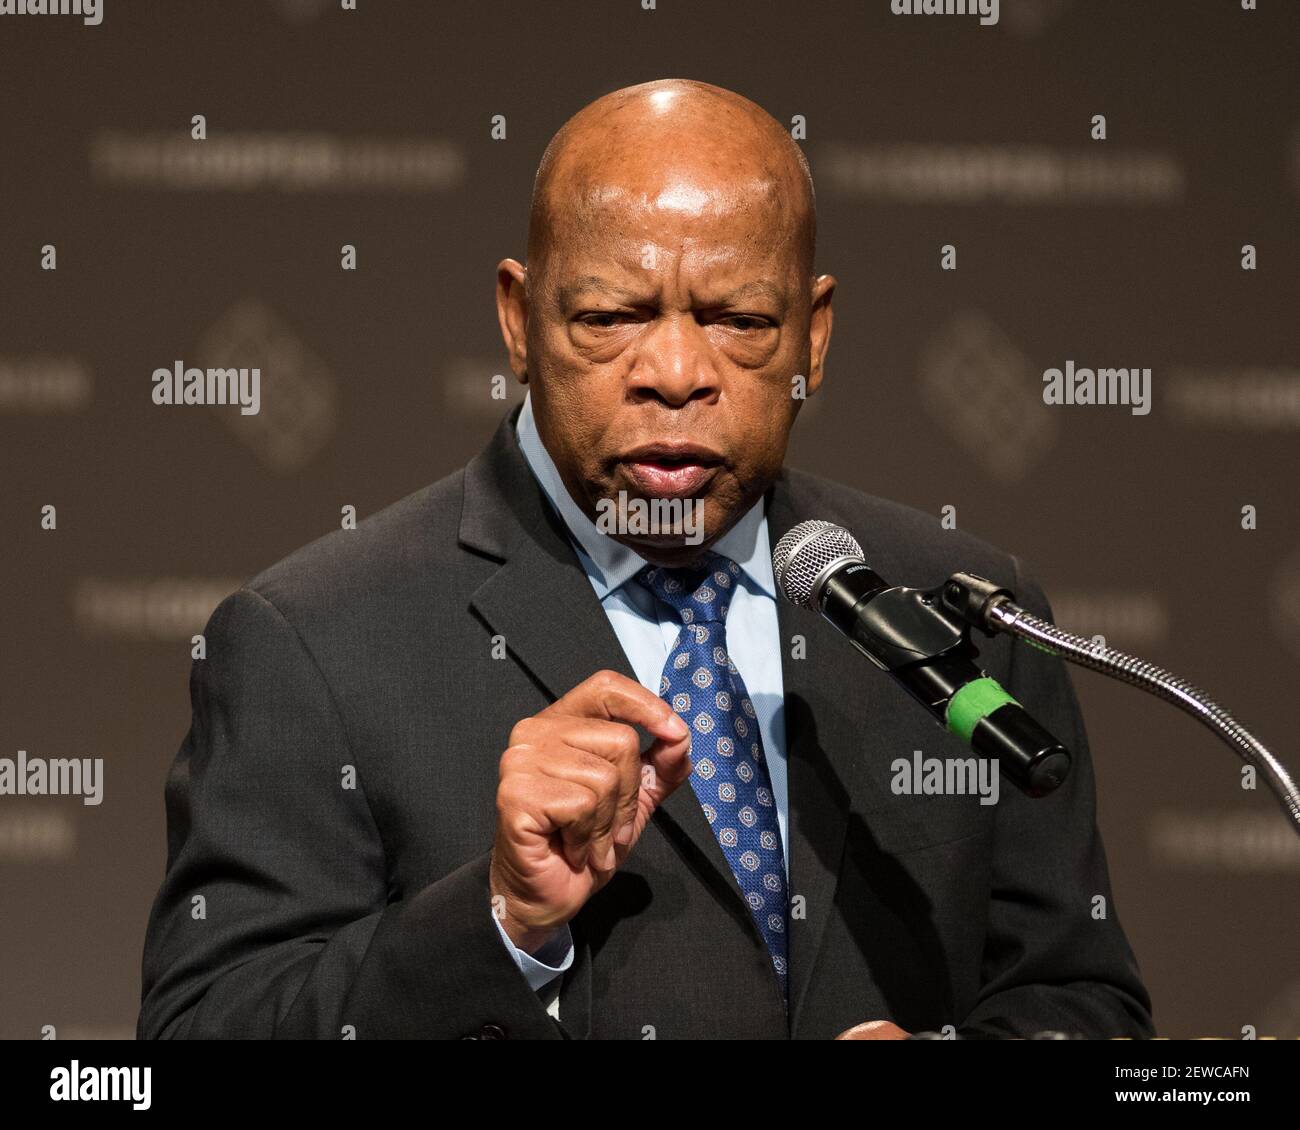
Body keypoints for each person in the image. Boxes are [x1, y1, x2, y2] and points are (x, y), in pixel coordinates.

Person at [137, 78, 1154, 1040]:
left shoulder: (963, 611)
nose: (674, 373)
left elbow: (1078, 996)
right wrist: (499, 916)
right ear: (518, 320)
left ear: (813, 334)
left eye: (741, 320)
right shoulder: (314, 639)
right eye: (610, 317)